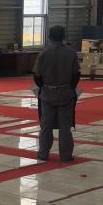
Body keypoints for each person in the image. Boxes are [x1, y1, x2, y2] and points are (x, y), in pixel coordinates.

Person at [34, 25, 80, 162]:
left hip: (47, 94)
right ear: (64, 36)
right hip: (65, 93)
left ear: (49, 37)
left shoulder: (43, 54)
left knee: (46, 125)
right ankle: (65, 156)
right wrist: (70, 88)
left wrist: (44, 87)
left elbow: (37, 76)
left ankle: (43, 153)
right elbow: (76, 75)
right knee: (65, 126)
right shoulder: (71, 53)